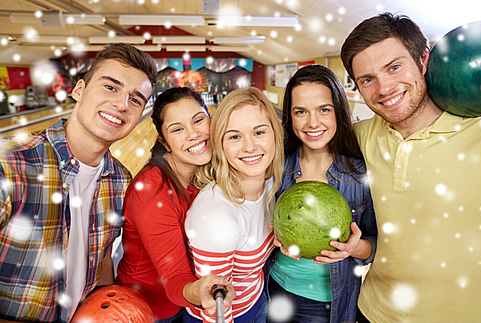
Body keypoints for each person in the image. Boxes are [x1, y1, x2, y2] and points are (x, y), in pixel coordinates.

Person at [340, 12, 481, 322]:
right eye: (367, 79)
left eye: (394, 67)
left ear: (424, 61)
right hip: (371, 311)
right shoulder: (361, 137)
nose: (384, 88)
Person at [0, 43, 157, 322]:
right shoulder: (9, 165)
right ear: (79, 90)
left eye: (136, 99)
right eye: (111, 87)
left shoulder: (120, 180)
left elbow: (104, 258)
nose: (122, 104)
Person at [265, 64, 377, 323]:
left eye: (323, 110)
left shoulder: (360, 174)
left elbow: (375, 244)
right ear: (289, 116)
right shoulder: (277, 166)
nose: (312, 123)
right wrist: (271, 235)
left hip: (328, 304)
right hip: (273, 289)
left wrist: (354, 247)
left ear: (338, 111)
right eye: (300, 112)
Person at [115, 87, 235, 322]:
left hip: (183, 307)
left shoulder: (206, 172)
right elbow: (174, 278)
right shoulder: (151, 190)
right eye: (177, 129)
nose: (193, 134)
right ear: (164, 141)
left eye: (198, 120)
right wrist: (200, 291)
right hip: (152, 311)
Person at [184, 87, 284, 323]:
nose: (249, 147)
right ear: (220, 145)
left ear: (275, 135)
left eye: (259, 132)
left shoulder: (270, 184)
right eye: (234, 136)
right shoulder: (218, 216)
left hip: (257, 299)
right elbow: (215, 305)